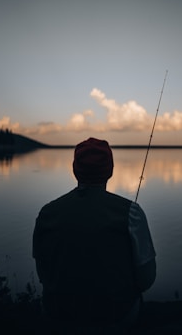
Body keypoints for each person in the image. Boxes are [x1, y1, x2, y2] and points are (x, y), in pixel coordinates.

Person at [33, 137, 156, 334]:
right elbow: (147, 280)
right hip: (116, 319)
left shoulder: (47, 213)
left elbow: (43, 274)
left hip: (58, 317)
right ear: (110, 170)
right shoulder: (131, 213)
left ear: (75, 170)